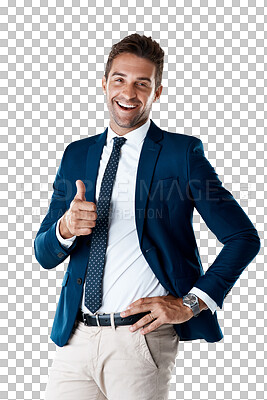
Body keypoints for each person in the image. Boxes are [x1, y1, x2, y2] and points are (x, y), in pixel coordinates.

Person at [34, 33, 261, 400]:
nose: (129, 92)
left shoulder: (181, 153)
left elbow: (243, 238)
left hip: (140, 343)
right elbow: (44, 254)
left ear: (157, 92)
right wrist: (64, 228)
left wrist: (192, 302)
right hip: (74, 340)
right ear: (104, 83)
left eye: (143, 83)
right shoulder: (76, 154)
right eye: (120, 79)